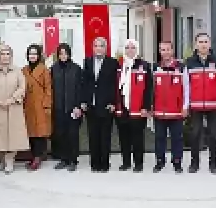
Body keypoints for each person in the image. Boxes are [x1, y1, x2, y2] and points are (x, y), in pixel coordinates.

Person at [0, 44, 29, 174]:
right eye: (2, 54)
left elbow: (22, 88)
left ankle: (10, 160)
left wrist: (12, 99)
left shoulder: (17, 71)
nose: (5, 57)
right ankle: (2, 160)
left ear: (11, 56)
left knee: (14, 136)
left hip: (13, 108)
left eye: (7, 54)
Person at [185, 33, 216, 174]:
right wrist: (186, 104)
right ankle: (194, 163)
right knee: (195, 134)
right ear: (196, 45)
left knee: (213, 135)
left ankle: (213, 163)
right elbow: (186, 85)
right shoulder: (189, 62)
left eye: (206, 41)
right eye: (200, 42)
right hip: (195, 105)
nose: (203, 44)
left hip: (213, 105)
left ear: (210, 44)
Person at [81, 37, 119, 172]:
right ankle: (94, 164)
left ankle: (104, 164)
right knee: (93, 136)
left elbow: (116, 85)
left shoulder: (113, 63)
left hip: (106, 105)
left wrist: (114, 103)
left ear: (106, 48)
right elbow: (84, 83)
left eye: (101, 46)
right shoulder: (87, 62)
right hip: (91, 105)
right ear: (93, 48)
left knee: (105, 136)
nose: (98, 48)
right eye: (96, 45)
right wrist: (83, 102)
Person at [115, 39, 152, 172]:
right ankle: (126, 162)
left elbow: (149, 89)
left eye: (133, 48)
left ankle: (138, 163)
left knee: (137, 137)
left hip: (138, 108)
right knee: (123, 137)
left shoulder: (145, 66)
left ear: (137, 50)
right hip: (122, 107)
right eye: (127, 48)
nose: (130, 50)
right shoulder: (119, 65)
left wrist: (146, 107)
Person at [152, 40, 188, 173]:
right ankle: (159, 161)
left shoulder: (181, 67)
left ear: (172, 51)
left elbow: (186, 88)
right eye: (162, 50)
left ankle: (177, 162)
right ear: (160, 51)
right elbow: (152, 89)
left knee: (177, 138)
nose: (165, 52)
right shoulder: (155, 67)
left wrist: (185, 106)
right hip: (159, 110)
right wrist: (151, 106)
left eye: (168, 49)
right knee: (159, 137)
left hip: (176, 110)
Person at [51, 43, 85, 171]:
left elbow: (80, 88)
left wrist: (78, 106)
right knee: (61, 134)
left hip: (73, 108)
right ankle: (63, 159)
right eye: (60, 53)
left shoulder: (76, 69)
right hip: (59, 108)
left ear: (69, 54)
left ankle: (73, 160)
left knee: (73, 134)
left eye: (65, 53)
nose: (63, 56)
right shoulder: (53, 69)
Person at [22, 44, 52, 171]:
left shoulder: (44, 69)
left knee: (40, 133)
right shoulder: (24, 70)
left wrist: (46, 105)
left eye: (35, 54)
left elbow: (48, 89)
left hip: (40, 105)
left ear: (39, 55)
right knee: (31, 133)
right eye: (30, 54)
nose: (32, 56)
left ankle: (38, 158)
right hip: (28, 105)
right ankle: (33, 156)